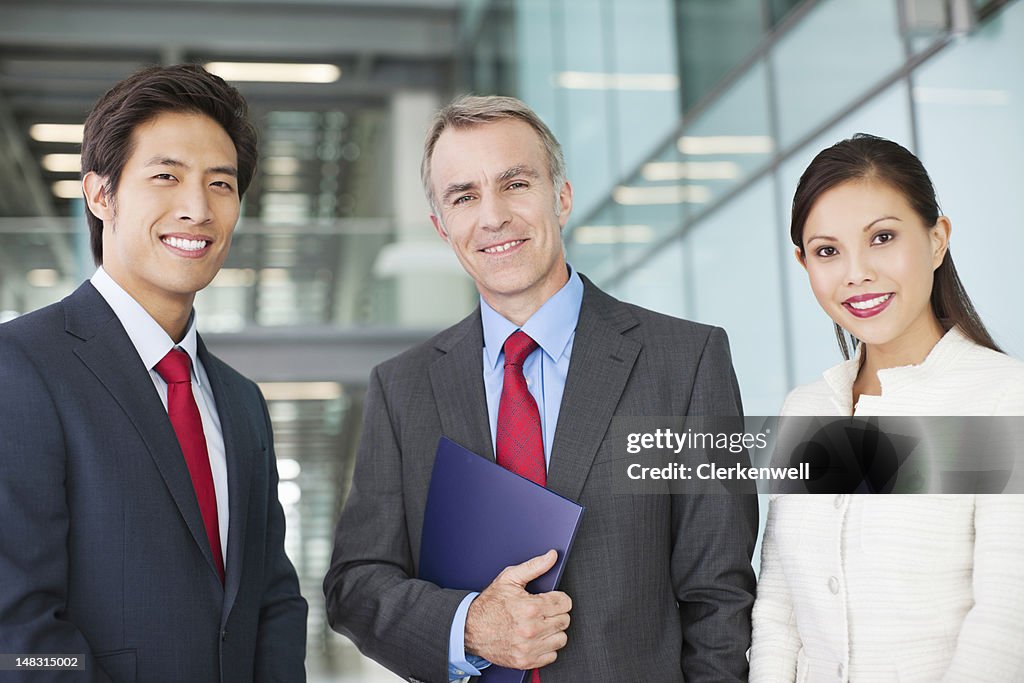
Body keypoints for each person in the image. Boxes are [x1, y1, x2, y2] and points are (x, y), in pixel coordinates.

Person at [323, 94, 758, 683]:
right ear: (441, 227)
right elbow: (355, 585)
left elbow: (718, 597)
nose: (493, 216)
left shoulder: (685, 364)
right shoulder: (403, 389)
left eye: (516, 183)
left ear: (562, 196)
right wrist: (468, 623)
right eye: (464, 196)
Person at [0, 64, 307, 682]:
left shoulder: (241, 402)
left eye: (221, 184)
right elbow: (17, 636)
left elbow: (272, 602)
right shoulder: (21, 366)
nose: (197, 208)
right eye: (166, 176)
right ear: (98, 194)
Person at [749, 134, 1024, 681]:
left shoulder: (1003, 398)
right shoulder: (806, 409)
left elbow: (1006, 625)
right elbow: (779, 614)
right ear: (804, 264)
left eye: (882, 238)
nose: (856, 273)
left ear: (938, 238)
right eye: (828, 251)